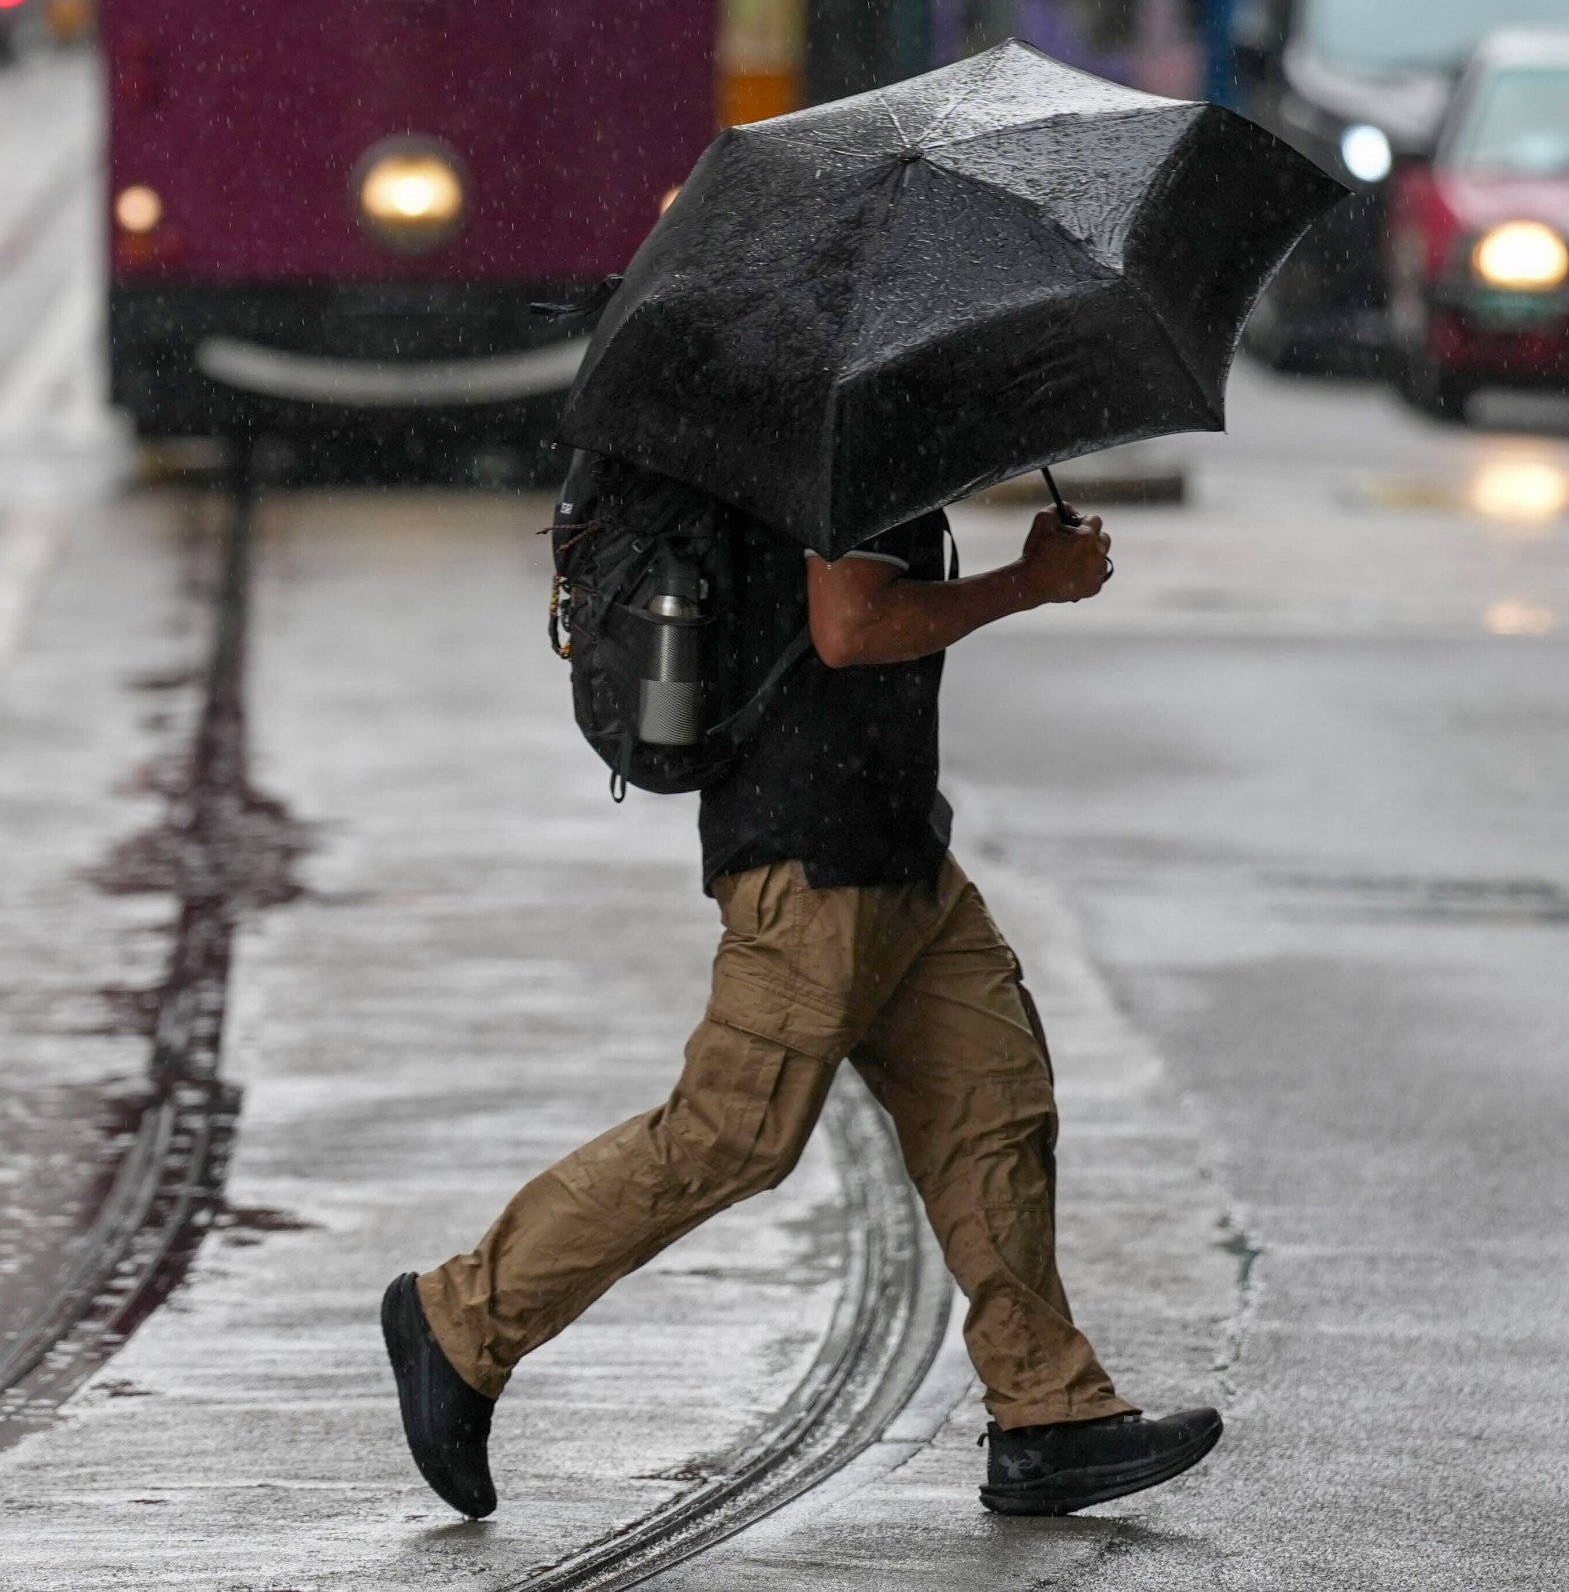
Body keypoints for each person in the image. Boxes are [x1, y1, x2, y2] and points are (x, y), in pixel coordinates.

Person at [381, 492, 1226, 1523]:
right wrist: (1026, 584)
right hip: (812, 856)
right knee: (732, 1133)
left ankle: (1046, 1414)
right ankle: (462, 1318)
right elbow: (850, 624)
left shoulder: (859, 410)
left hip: (895, 841)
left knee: (991, 1105)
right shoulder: (853, 430)